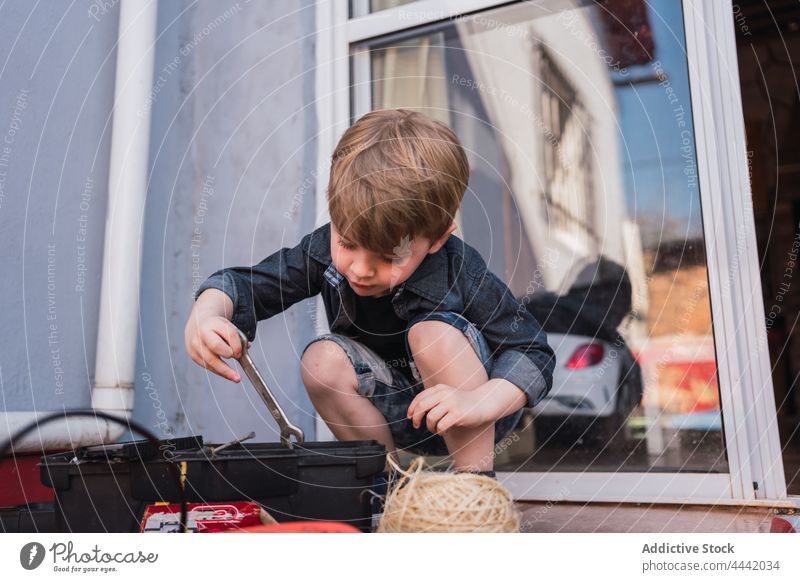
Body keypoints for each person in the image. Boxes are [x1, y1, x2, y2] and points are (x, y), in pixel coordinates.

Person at [185, 108, 554, 474]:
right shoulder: (320, 253)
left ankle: (474, 493)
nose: (360, 269)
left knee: (433, 333)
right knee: (321, 360)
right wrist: (207, 311)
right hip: (396, 414)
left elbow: (532, 351)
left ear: (438, 239)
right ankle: (383, 487)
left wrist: (481, 402)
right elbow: (250, 285)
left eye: (389, 256)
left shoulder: (461, 270)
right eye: (347, 243)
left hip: (477, 412)